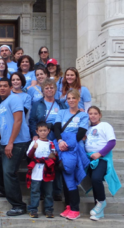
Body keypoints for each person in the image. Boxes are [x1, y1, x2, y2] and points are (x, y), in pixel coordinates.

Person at [0, 78, 30, 216]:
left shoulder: (14, 99)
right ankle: (4, 190)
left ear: (10, 87)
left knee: (9, 172)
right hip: (3, 143)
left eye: (5, 86)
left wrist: (10, 142)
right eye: (0, 86)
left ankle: (18, 205)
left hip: (18, 142)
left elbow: (18, 120)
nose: (2, 88)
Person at [54, 89, 90, 220]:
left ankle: (75, 209)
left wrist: (68, 144)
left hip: (74, 148)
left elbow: (81, 132)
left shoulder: (83, 115)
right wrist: (60, 141)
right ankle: (68, 206)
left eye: (73, 98)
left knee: (71, 179)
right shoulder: (62, 112)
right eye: (68, 98)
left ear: (78, 99)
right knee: (65, 178)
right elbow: (57, 128)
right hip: (62, 147)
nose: (71, 100)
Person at [29, 78, 67, 201]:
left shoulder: (61, 104)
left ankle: (56, 191)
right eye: (47, 88)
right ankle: (40, 191)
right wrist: (34, 135)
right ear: (43, 90)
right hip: (43, 136)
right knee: (41, 162)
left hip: (57, 136)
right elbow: (32, 120)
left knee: (55, 162)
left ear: (55, 90)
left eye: (51, 88)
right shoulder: (37, 104)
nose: (49, 90)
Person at [85, 106, 121, 221]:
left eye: (95, 113)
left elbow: (112, 142)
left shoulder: (105, 125)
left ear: (100, 115)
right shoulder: (88, 128)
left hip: (102, 158)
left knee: (96, 178)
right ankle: (99, 211)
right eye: (90, 113)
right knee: (94, 181)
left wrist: (100, 154)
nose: (93, 115)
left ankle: (101, 202)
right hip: (90, 158)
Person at [26, 121, 56, 218]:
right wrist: (34, 149)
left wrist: (53, 157)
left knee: (49, 192)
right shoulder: (34, 143)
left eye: (45, 130)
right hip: (37, 169)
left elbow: (54, 157)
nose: (43, 132)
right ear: (37, 132)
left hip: (48, 169)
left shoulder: (51, 144)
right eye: (41, 130)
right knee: (35, 190)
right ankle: (33, 209)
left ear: (49, 131)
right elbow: (29, 156)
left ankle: (48, 209)